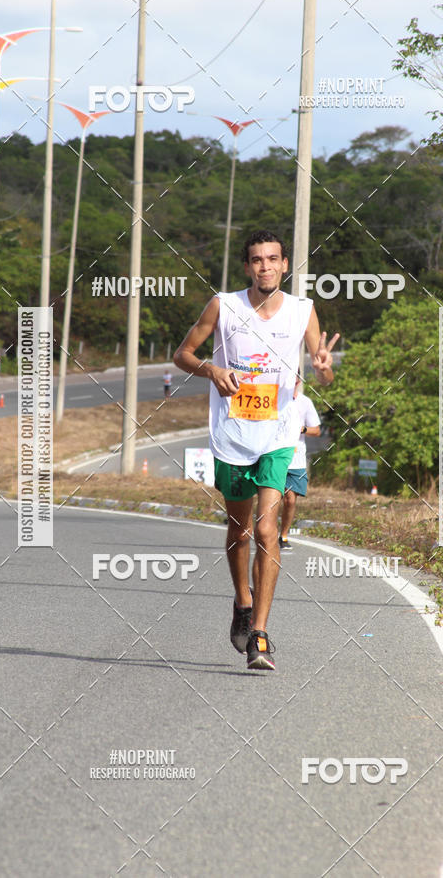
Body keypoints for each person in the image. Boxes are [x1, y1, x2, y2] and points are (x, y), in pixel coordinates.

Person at [174, 229, 338, 670]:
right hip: (231, 437)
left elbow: (321, 368)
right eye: (257, 260)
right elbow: (182, 354)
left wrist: (324, 370)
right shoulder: (223, 306)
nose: (266, 266)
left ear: (285, 265)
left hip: (278, 437)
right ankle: (242, 602)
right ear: (247, 267)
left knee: (268, 532)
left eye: (273, 259)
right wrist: (210, 370)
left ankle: (260, 634)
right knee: (239, 531)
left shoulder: (304, 310)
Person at [279, 380, 321, 552]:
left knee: (290, 500)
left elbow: (316, 430)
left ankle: (283, 535)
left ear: (297, 379)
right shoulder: (275, 399)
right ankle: (265, 533)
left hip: (296, 460)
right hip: (275, 456)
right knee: (272, 500)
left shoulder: (305, 402)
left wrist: (301, 429)